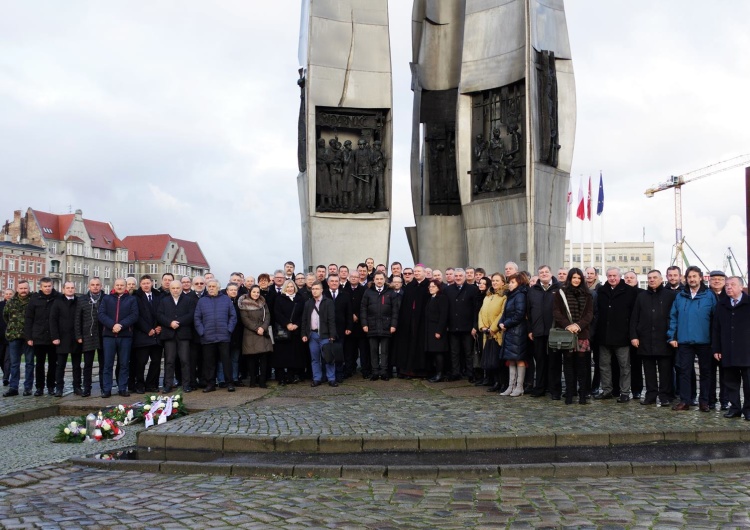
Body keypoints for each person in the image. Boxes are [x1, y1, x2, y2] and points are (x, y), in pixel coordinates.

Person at [669, 266, 717, 412]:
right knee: (684, 372)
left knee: (705, 372)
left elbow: (715, 321)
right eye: (689, 277)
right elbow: (673, 317)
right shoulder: (680, 296)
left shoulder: (709, 296)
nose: (692, 279)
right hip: (684, 341)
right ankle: (685, 401)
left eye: (695, 276)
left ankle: (704, 401)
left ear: (701, 278)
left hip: (705, 341)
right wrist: (672, 336)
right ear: (686, 279)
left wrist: (715, 341)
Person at [630, 270, 677, 406]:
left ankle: (664, 396)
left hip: (664, 339)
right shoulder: (641, 296)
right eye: (649, 278)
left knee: (665, 371)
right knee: (649, 370)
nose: (652, 280)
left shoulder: (670, 296)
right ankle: (650, 395)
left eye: (655, 277)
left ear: (661, 279)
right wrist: (634, 336)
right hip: (645, 339)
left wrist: (673, 336)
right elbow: (635, 318)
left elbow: (674, 317)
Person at [594, 267, 638, 403]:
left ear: (620, 277)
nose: (612, 278)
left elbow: (633, 315)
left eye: (615, 276)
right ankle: (607, 390)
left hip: (622, 336)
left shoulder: (630, 291)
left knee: (624, 366)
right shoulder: (600, 291)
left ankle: (625, 392)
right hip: (603, 335)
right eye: (609, 276)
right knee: (604, 365)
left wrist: (632, 334)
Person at [553, 268, 594, 405]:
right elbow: (556, 312)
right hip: (567, 334)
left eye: (579, 278)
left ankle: (582, 394)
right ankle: (569, 393)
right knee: (568, 363)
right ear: (569, 279)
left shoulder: (587, 294)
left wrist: (578, 325)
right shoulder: (561, 293)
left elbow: (589, 314)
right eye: (574, 278)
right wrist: (568, 325)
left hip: (581, 333)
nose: (576, 280)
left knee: (582, 365)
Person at [713, 276, 750, 420]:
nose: (728, 287)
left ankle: (748, 410)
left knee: (748, 383)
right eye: (727, 285)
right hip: (728, 349)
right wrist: (716, 348)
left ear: (741, 287)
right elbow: (716, 328)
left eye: (732, 284)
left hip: (746, 350)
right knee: (731, 382)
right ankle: (735, 408)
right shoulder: (721, 305)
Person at [98, 278, 139, 398]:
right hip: (109, 336)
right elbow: (101, 314)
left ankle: (122, 388)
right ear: (114, 286)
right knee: (107, 364)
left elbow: (134, 315)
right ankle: (107, 389)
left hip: (125, 335)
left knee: (124, 363)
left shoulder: (131, 299)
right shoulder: (106, 298)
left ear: (126, 287)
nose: (119, 287)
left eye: (122, 285)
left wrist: (121, 325)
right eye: (117, 285)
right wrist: (112, 325)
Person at [195, 279, 237, 392]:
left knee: (226, 361)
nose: (211, 288)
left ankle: (230, 383)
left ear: (218, 288)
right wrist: (202, 332)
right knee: (209, 362)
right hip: (207, 336)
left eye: (214, 286)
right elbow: (197, 318)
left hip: (224, 335)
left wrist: (229, 330)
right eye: (209, 286)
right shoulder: (202, 301)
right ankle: (210, 384)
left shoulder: (226, 299)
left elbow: (233, 316)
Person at [156, 278, 196, 393]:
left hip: (183, 334)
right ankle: (168, 385)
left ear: (181, 288)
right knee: (169, 361)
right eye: (173, 288)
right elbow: (159, 315)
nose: (175, 290)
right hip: (169, 334)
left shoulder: (188, 300)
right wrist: (170, 323)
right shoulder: (164, 300)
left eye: (177, 288)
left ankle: (186, 384)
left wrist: (178, 322)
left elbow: (191, 314)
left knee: (185, 360)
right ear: (170, 289)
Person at [526, 265, 560, 399]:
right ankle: (540, 387)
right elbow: (528, 312)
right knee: (540, 360)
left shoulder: (559, 288)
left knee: (554, 361)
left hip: (554, 331)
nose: (544, 274)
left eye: (546, 272)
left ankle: (555, 390)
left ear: (551, 273)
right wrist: (530, 329)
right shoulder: (533, 290)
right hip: (538, 331)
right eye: (541, 272)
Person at [360, 272, 400, 381]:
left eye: (381, 279)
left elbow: (395, 311)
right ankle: (375, 372)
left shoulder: (391, 293)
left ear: (384, 280)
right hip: (371, 326)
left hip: (386, 326)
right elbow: (363, 309)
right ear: (374, 280)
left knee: (384, 351)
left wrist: (393, 325)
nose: (379, 281)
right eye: (377, 279)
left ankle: (384, 372)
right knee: (373, 351)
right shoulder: (368, 292)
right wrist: (364, 324)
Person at [25, 277, 60, 396]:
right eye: (45, 286)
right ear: (41, 287)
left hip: (53, 337)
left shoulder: (58, 297)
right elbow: (29, 319)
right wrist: (29, 337)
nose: (47, 288)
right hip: (38, 336)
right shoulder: (34, 299)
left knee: (53, 363)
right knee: (39, 364)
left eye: (49, 286)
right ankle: (39, 387)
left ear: (52, 286)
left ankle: (51, 386)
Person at [444, 268, 480, 381]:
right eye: (457, 276)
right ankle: (456, 373)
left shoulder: (472, 289)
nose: (458, 278)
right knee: (454, 352)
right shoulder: (448, 290)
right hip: (453, 326)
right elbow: (445, 309)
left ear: (464, 277)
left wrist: (475, 326)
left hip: (467, 327)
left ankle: (470, 373)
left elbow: (476, 309)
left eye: (460, 276)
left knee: (468, 352)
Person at [394, 265, 429, 378]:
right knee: (408, 345)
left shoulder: (428, 286)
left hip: (423, 322)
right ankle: (408, 370)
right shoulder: (409, 286)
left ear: (424, 273)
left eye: (419, 271)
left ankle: (421, 371)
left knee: (420, 345)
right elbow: (405, 305)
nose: (417, 273)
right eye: (415, 271)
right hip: (409, 321)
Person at [498, 273, 529, 396]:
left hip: (518, 332)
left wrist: (505, 324)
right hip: (510, 331)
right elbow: (505, 313)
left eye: (512, 282)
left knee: (519, 359)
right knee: (511, 359)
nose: (509, 284)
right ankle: (511, 386)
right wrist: (501, 322)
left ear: (519, 283)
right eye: (509, 282)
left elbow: (519, 314)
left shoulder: (520, 295)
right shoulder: (511, 296)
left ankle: (519, 387)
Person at [301, 281, 338, 387]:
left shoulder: (328, 302)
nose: (314, 291)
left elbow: (331, 320)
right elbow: (304, 320)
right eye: (313, 289)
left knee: (328, 358)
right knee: (315, 358)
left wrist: (332, 335)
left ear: (322, 290)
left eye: (317, 289)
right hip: (312, 335)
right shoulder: (308, 303)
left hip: (325, 335)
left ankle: (331, 378)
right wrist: (303, 334)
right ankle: (317, 378)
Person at [131, 275, 162, 394]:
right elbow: (136, 315)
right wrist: (147, 329)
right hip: (142, 334)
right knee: (141, 362)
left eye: (148, 283)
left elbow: (161, 312)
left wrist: (159, 326)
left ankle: (151, 384)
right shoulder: (135, 297)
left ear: (152, 284)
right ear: (140, 284)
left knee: (156, 361)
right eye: (143, 283)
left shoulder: (158, 296)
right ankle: (139, 384)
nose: (146, 285)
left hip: (156, 335)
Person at [74, 277, 104, 397]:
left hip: (103, 335)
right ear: (89, 286)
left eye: (97, 285)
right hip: (87, 335)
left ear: (101, 286)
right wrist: (78, 335)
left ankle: (104, 387)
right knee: (88, 364)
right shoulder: (82, 300)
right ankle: (87, 388)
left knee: (103, 363)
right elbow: (77, 319)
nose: (95, 287)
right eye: (93, 285)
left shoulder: (105, 298)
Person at [3, 281, 33, 397]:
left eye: (25, 288)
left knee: (29, 363)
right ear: (17, 289)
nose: (23, 290)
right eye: (21, 288)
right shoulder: (11, 302)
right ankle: (13, 387)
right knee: (14, 363)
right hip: (14, 336)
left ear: (28, 289)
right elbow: (6, 316)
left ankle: (28, 387)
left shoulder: (32, 301)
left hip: (28, 337)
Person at [238, 284, 272, 388]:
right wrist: (257, 329)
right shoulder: (244, 303)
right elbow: (245, 319)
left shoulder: (263, 302)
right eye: (254, 292)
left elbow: (267, 316)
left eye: (258, 292)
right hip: (250, 334)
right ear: (250, 292)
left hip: (263, 333)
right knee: (252, 359)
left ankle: (262, 381)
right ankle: (253, 380)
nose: (256, 294)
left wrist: (263, 327)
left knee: (263, 359)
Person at [477, 273, 507, 391]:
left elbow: (502, 313)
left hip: (497, 333)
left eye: (497, 280)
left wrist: (493, 328)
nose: (494, 282)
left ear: (503, 282)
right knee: (491, 358)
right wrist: (483, 326)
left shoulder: (504, 297)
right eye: (493, 280)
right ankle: (495, 382)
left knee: (499, 359)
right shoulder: (487, 296)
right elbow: (481, 312)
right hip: (487, 333)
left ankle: (503, 382)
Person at [49, 282, 79, 397]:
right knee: (60, 365)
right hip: (62, 338)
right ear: (63, 289)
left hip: (76, 338)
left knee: (76, 366)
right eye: (68, 288)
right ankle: (59, 388)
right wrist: (55, 337)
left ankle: (77, 386)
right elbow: (53, 320)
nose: (70, 290)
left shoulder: (78, 301)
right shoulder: (58, 302)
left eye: (72, 288)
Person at [272, 280, 304, 385]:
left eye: (292, 286)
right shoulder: (279, 299)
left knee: (293, 356)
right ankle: (281, 378)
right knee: (281, 356)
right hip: (283, 332)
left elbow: (303, 314)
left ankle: (291, 376)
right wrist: (287, 324)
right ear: (285, 288)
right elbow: (277, 313)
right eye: (288, 286)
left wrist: (296, 325)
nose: (290, 288)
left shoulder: (299, 299)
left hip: (295, 332)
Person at [323, 274, 353, 383]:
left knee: (339, 352)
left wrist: (349, 326)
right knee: (327, 352)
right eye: (332, 281)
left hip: (341, 328)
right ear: (328, 283)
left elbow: (349, 312)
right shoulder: (323, 294)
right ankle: (327, 375)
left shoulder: (345, 294)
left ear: (339, 282)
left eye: (336, 281)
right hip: (326, 329)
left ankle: (339, 374)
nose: (334, 283)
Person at [218, 282, 243, 387]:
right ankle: (222, 379)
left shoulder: (239, 303)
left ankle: (235, 378)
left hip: (237, 335)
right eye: (231, 290)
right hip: (224, 334)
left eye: (235, 290)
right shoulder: (222, 302)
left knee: (235, 359)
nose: (233, 291)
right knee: (222, 359)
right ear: (227, 291)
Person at [425, 280, 450, 382]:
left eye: (433, 286)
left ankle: (440, 374)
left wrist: (439, 331)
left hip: (438, 329)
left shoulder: (442, 298)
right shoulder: (431, 298)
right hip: (430, 329)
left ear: (438, 287)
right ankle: (436, 373)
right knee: (434, 353)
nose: (431, 288)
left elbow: (443, 316)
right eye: (430, 286)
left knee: (438, 352)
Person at [0, 289, 12, 386]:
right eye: (6, 294)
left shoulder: (15, 306)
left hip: (10, 337)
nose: (8, 295)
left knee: (7, 359)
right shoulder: (0, 305)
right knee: (1, 358)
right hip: (0, 337)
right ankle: (5, 373)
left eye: (10, 294)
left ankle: (6, 377)